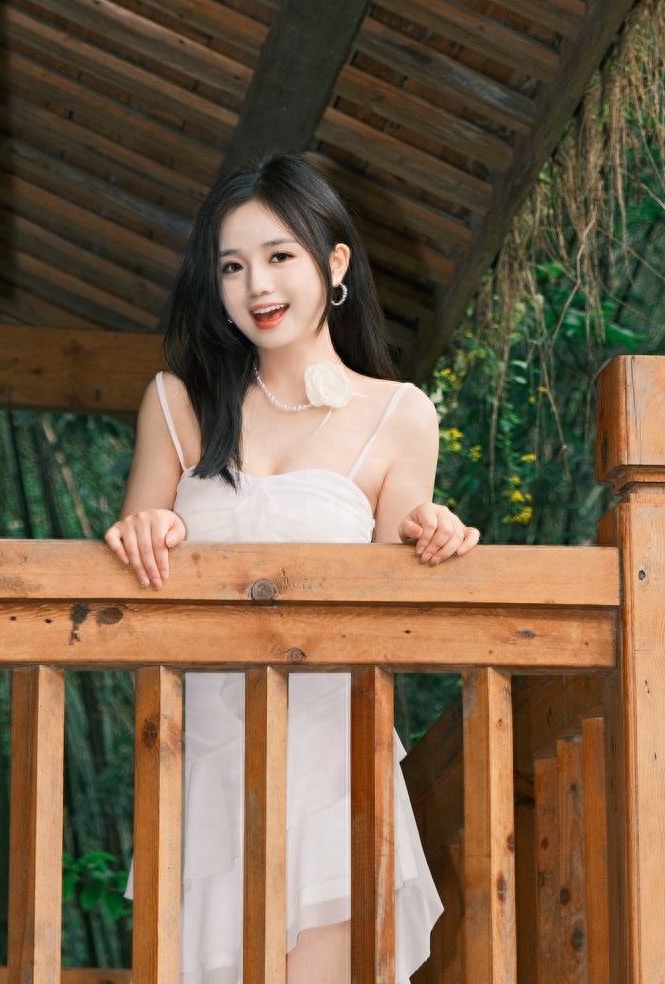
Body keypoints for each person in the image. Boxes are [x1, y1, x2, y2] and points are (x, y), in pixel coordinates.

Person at [105, 152, 481, 984]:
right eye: (232, 265)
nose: (257, 286)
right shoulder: (175, 403)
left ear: (334, 262)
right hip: (200, 757)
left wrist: (434, 538)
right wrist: (147, 531)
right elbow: (133, 571)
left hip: (330, 761)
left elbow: (393, 616)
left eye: (280, 256)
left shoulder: (400, 414)